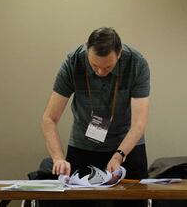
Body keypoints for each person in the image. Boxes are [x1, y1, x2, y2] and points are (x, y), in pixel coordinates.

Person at [41, 27, 150, 207]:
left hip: (127, 146)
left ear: (119, 54)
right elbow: (49, 118)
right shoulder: (73, 62)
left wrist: (118, 156)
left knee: (133, 202)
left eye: (108, 66)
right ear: (86, 51)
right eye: (94, 66)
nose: (100, 72)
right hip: (84, 144)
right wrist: (58, 158)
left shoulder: (136, 63)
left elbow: (139, 123)